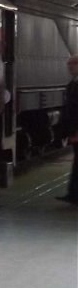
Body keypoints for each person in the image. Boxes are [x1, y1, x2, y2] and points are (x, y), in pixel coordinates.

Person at [63, 54, 78, 204]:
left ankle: (74, 194)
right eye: (69, 64)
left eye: (73, 64)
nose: (70, 67)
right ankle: (73, 194)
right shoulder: (72, 84)